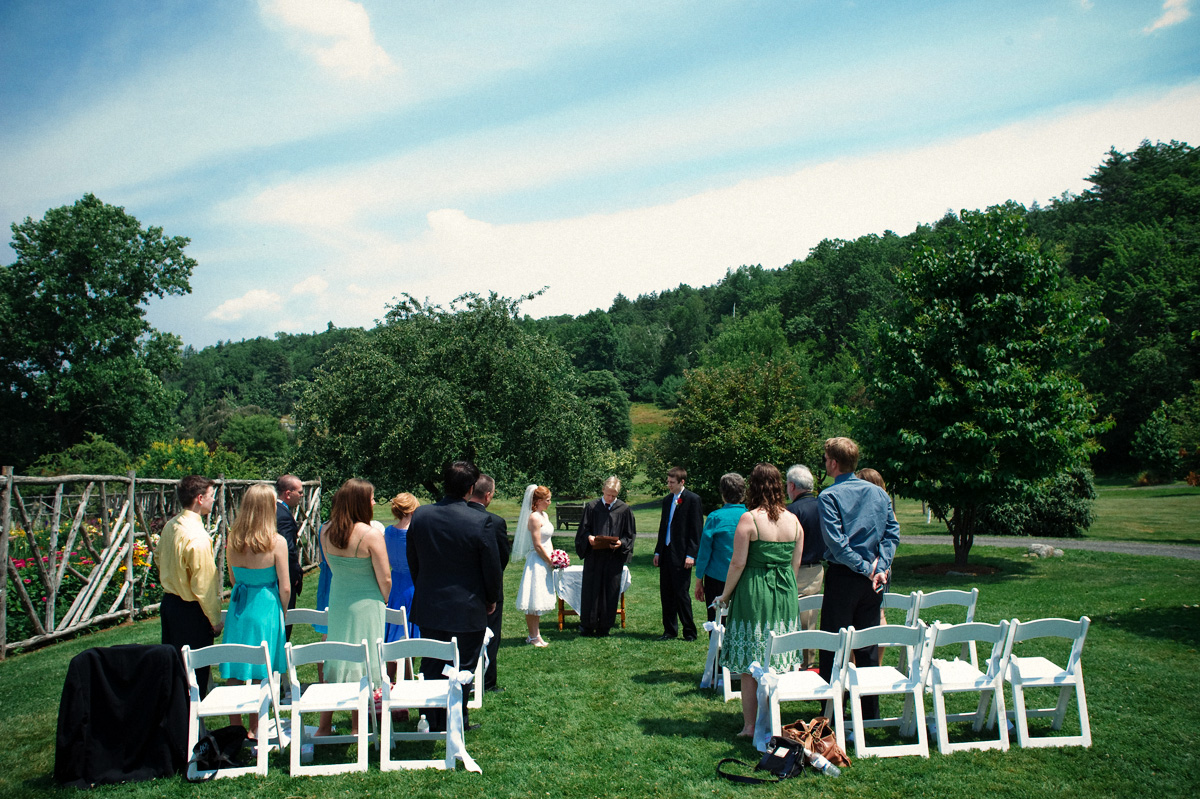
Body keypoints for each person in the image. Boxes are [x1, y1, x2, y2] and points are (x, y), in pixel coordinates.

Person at [407, 460, 502, 732]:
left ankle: (433, 719)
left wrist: (424, 587)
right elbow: (491, 569)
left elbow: (413, 560)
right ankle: (456, 721)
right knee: (463, 668)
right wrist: (491, 598)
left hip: (430, 604)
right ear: (471, 488)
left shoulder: (421, 515)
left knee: (432, 664)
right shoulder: (480, 520)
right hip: (467, 606)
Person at [716, 463, 803, 738]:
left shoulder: (749, 519)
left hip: (754, 592)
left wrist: (725, 595)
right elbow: (794, 565)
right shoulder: (794, 520)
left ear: (753, 487)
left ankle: (751, 726)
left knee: (750, 661)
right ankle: (776, 719)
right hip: (784, 592)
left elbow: (737, 564)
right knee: (779, 657)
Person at [817, 437, 900, 720]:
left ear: (834, 463)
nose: (825, 462)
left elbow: (837, 543)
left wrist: (867, 567)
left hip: (845, 576)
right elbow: (892, 533)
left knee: (833, 647)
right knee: (868, 648)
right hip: (874, 579)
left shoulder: (828, 496)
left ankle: (831, 714)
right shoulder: (879, 494)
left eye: (826, 458)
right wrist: (881, 566)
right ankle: (869, 714)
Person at [317, 478, 390, 737]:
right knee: (364, 663)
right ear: (360, 501)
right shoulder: (371, 534)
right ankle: (358, 727)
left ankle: (325, 726)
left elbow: (331, 565)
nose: (373, 502)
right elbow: (386, 578)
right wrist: (384, 599)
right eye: (371, 497)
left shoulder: (325, 530)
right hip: (367, 603)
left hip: (339, 600)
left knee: (337, 660)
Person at [220, 483, 290, 736]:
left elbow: (232, 579)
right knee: (263, 670)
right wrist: (282, 612)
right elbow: (285, 587)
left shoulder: (233, 540)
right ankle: (256, 726)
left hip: (239, 607)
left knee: (236, 669)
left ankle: (235, 728)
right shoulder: (276, 542)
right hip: (266, 607)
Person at [156, 475, 222, 695]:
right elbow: (204, 585)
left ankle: (182, 724)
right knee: (196, 676)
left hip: (170, 605)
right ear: (200, 498)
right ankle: (193, 726)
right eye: (212, 496)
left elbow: (158, 557)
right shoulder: (197, 537)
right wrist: (214, 619)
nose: (214, 501)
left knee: (176, 672)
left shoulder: (170, 526)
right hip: (191, 611)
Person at [575, 475, 637, 637]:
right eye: (608, 494)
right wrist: (589, 537)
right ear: (603, 490)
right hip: (594, 557)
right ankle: (587, 625)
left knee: (610, 591)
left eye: (614, 496)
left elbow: (629, 535)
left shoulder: (624, 510)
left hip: (612, 558)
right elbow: (583, 530)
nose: (610, 498)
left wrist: (621, 543)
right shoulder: (592, 507)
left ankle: (605, 626)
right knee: (591, 590)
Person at [467, 474, 511, 691]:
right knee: (491, 636)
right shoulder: (496, 522)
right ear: (488, 495)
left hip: (463, 587)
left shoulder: (457, 516)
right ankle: (487, 681)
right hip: (488, 589)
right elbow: (502, 558)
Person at [654, 466, 703, 641]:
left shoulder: (693, 500)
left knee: (681, 594)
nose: (669, 485)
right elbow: (663, 527)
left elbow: (696, 530)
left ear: (682, 482)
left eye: (672, 482)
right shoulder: (668, 500)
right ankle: (669, 630)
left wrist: (691, 554)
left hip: (682, 555)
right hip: (666, 553)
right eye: (668, 482)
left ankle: (689, 631)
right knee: (666, 593)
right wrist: (658, 551)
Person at [693, 473, 746, 624]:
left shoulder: (715, 517)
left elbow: (704, 552)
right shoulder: (750, 516)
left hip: (717, 578)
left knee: (716, 624)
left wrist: (698, 580)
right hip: (742, 578)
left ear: (723, 493)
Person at [785, 464, 824, 669]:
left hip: (797, 570)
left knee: (795, 619)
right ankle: (807, 661)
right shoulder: (824, 506)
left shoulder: (791, 511)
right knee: (810, 619)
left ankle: (799, 663)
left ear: (792, 486)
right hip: (817, 569)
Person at [513, 484, 556, 647]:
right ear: (537, 501)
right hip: (537, 561)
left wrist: (555, 557)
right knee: (532, 599)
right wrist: (549, 560)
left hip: (545, 559)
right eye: (547, 500)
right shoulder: (534, 518)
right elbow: (537, 545)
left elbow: (548, 540)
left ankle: (536, 634)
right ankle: (533, 635)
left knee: (538, 598)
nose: (549, 502)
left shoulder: (544, 515)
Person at [383, 492, 421, 642]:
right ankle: (408, 665)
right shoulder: (416, 533)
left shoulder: (388, 531)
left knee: (393, 631)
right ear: (412, 511)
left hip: (395, 583)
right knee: (412, 634)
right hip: (412, 583)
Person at [275, 474, 305, 640]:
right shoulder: (284, 516)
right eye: (299, 492)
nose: (301, 496)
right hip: (283, 578)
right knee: (284, 628)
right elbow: (288, 550)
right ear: (288, 493)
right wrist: (294, 576)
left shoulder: (275, 510)